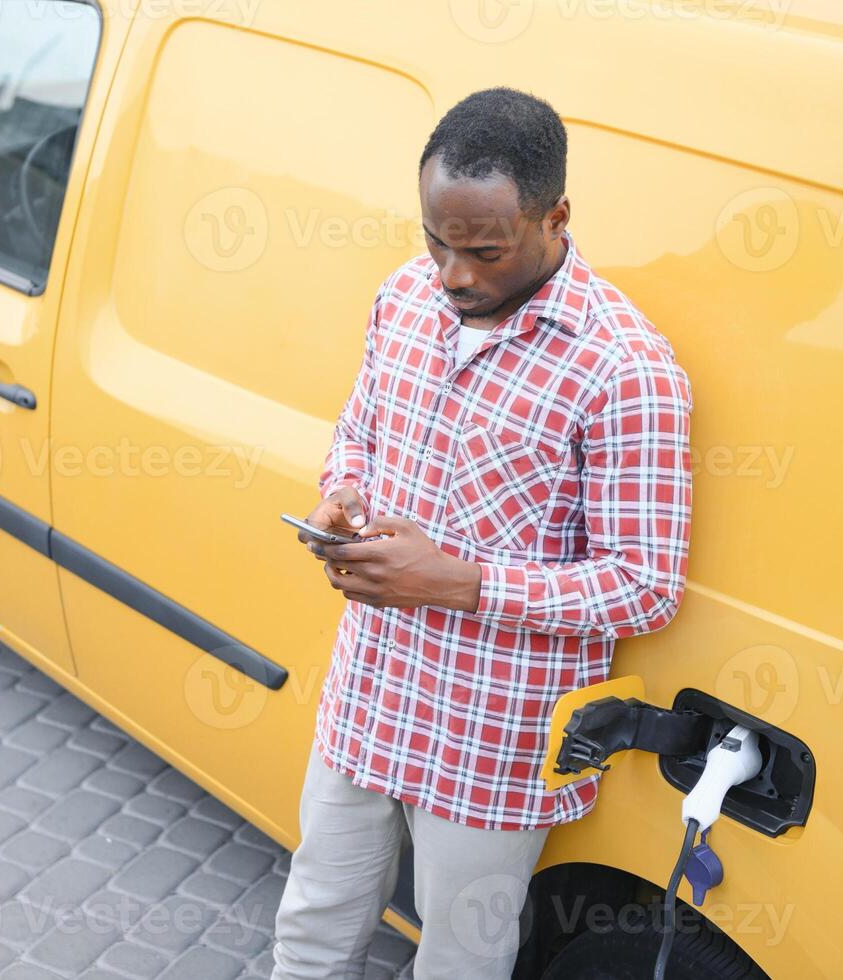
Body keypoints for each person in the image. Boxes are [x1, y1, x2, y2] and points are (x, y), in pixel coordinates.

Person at [272, 87, 695, 979]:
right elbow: (359, 429)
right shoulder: (403, 296)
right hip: (369, 695)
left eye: (483, 251)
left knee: (459, 960)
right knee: (312, 923)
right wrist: (339, 493)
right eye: (436, 240)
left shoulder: (626, 369)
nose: (452, 274)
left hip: (494, 733)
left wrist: (459, 582)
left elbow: (645, 584)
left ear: (556, 218)